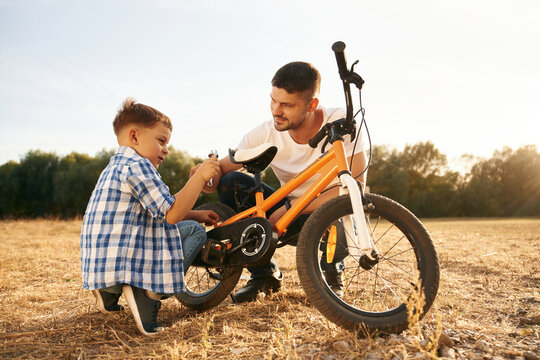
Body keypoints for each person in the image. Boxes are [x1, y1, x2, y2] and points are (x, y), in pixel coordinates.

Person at [191, 61, 367, 303]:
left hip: (322, 210)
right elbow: (222, 170)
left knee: (341, 212)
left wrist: (291, 208)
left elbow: (354, 186)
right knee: (231, 182)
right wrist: (204, 177)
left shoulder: (340, 121)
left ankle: (331, 273)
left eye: (287, 104)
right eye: (273, 100)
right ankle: (264, 275)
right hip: (284, 212)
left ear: (312, 104)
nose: (275, 110)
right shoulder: (265, 132)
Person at [80, 98, 220, 335]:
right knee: (195, 232)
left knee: (190, 224)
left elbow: (160, 207)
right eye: (161, 140)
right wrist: (199, 178)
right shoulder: (139, 165)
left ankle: (108, 293)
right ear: (134, 137)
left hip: (102, 267)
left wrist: (195, 214)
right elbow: (171, 214)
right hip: (128, 263)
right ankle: (150, 292)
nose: (166, 149)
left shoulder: (115, 166)